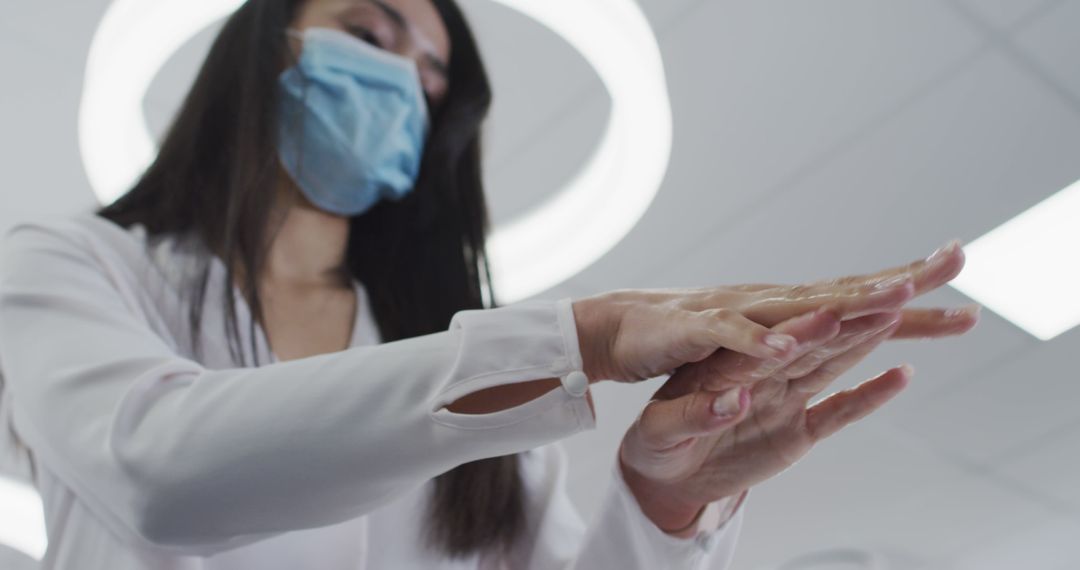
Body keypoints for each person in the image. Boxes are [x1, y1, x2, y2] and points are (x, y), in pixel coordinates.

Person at [0, 0, 979, 568]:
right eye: (370, 32)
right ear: (260, 47)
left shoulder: (469, 380)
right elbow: (158, 471)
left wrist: (665, 499)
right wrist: (581, 340)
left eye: (432, 75)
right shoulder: (74, 263)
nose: (405, 82)